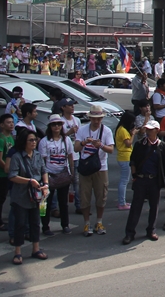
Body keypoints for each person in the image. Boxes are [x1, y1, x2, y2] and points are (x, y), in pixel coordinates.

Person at [123, 120, 165, 245]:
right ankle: (129, 233)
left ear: (157, 131)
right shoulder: (140, 144)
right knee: (136, 207)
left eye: (151, 129)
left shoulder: (162, 146)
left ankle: (151, 230)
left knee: (154, 206)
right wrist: (134, 176)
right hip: (141, 179)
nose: (148, 132)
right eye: (147, 129)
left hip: (154, 180)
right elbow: (133, 161)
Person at [8, 128, 48, 265]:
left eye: (35, 140)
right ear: (24, 142)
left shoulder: (37, 155)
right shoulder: (17, 157)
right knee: (20, 224)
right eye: (31, 140)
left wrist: (45, 184)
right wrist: (29, 181)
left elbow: (44, 171)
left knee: (35, 223)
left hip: (36, 196)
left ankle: (36, 249)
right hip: (21, 196)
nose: (34, 142)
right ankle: (18, 252)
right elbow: (12, 176)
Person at [74, 105, 115, 237]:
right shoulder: (82, 130)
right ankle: (87, 223)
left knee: (101, 195)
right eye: (94, 119)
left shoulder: (106, 131)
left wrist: (101, 145)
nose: (96, 121)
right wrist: (84, 143)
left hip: (100, 167)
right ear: (90, 118)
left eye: (99, 119)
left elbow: (111, 149)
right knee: (84, 196)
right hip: (86, 167)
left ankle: (99, 221)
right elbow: (76, 148)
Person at [39, 115, 73, 235]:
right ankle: (45, 226)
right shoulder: (44, 141)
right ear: (50, 126)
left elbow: (70, 157)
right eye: (54, 124)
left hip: (63, 173)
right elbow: (42, 160)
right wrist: (43, 177)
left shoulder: (66, 140)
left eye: (59, 124)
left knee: (63, 202)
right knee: (46, 203)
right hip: (49, 174)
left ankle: (65, 224)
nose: (56, 127)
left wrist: (72, 173)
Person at [57, 98, 82, 213]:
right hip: (63, 156)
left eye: (73, 105)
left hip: (75, 155)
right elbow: (58, 138)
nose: (72, 107)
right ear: (63, 107)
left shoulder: (77, 120)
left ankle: (79, 205)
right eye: (69, 105)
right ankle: (57, 207)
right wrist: (68, 133)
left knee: (76, 181)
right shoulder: (60, 121)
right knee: (60, 182)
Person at [114, 112, 138, 211]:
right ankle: (122, 203)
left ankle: (122, 201)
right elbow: (128, 143)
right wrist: (133, 134)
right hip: (125, 157)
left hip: (122, 157)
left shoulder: (120, 129)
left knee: (124, 180)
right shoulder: (123, 130)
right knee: (124, 181)